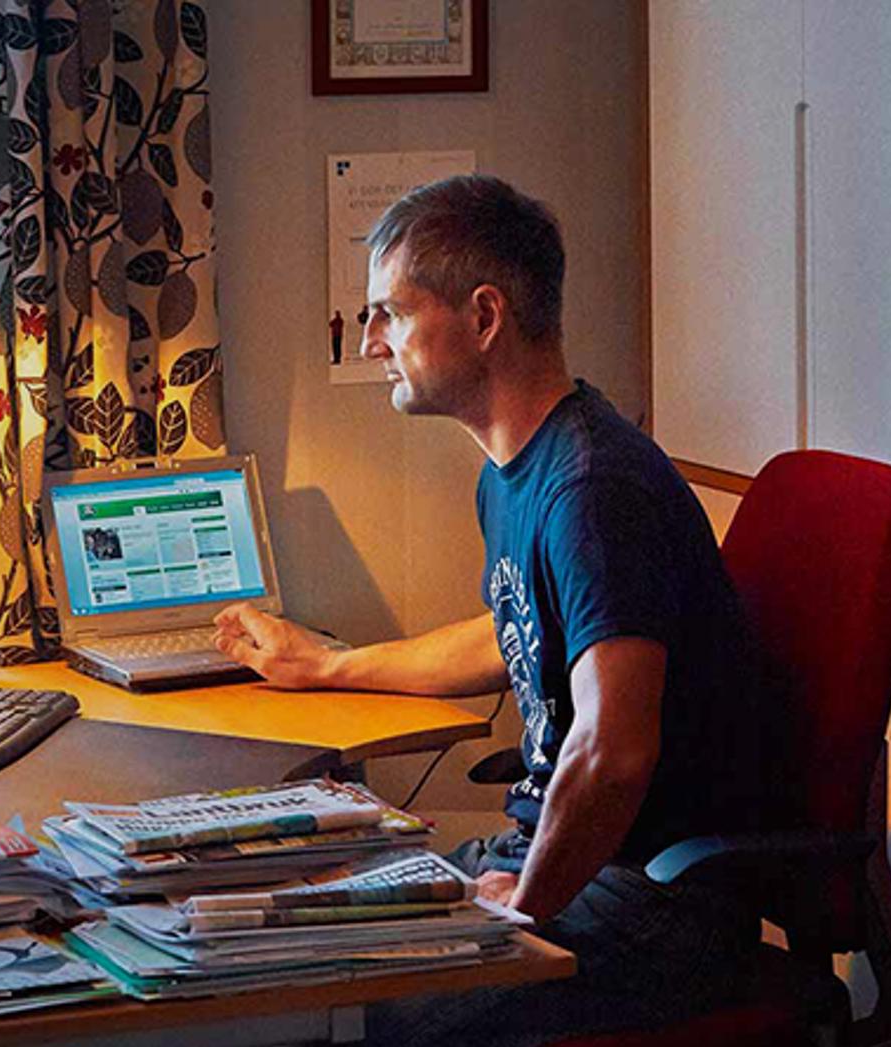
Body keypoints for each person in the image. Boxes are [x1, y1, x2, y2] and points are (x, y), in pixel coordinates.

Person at [211, 175, 782, 1044]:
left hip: (651, 903)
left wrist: (527, 904)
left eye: (390, 315)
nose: (372, 343)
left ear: (484, 318)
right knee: (295, 931)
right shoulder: (518, 470)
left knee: (351, 1014)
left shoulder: (593, 489)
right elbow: (510, 633)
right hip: (564, 863)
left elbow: (616, 747)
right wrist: (327, 665)